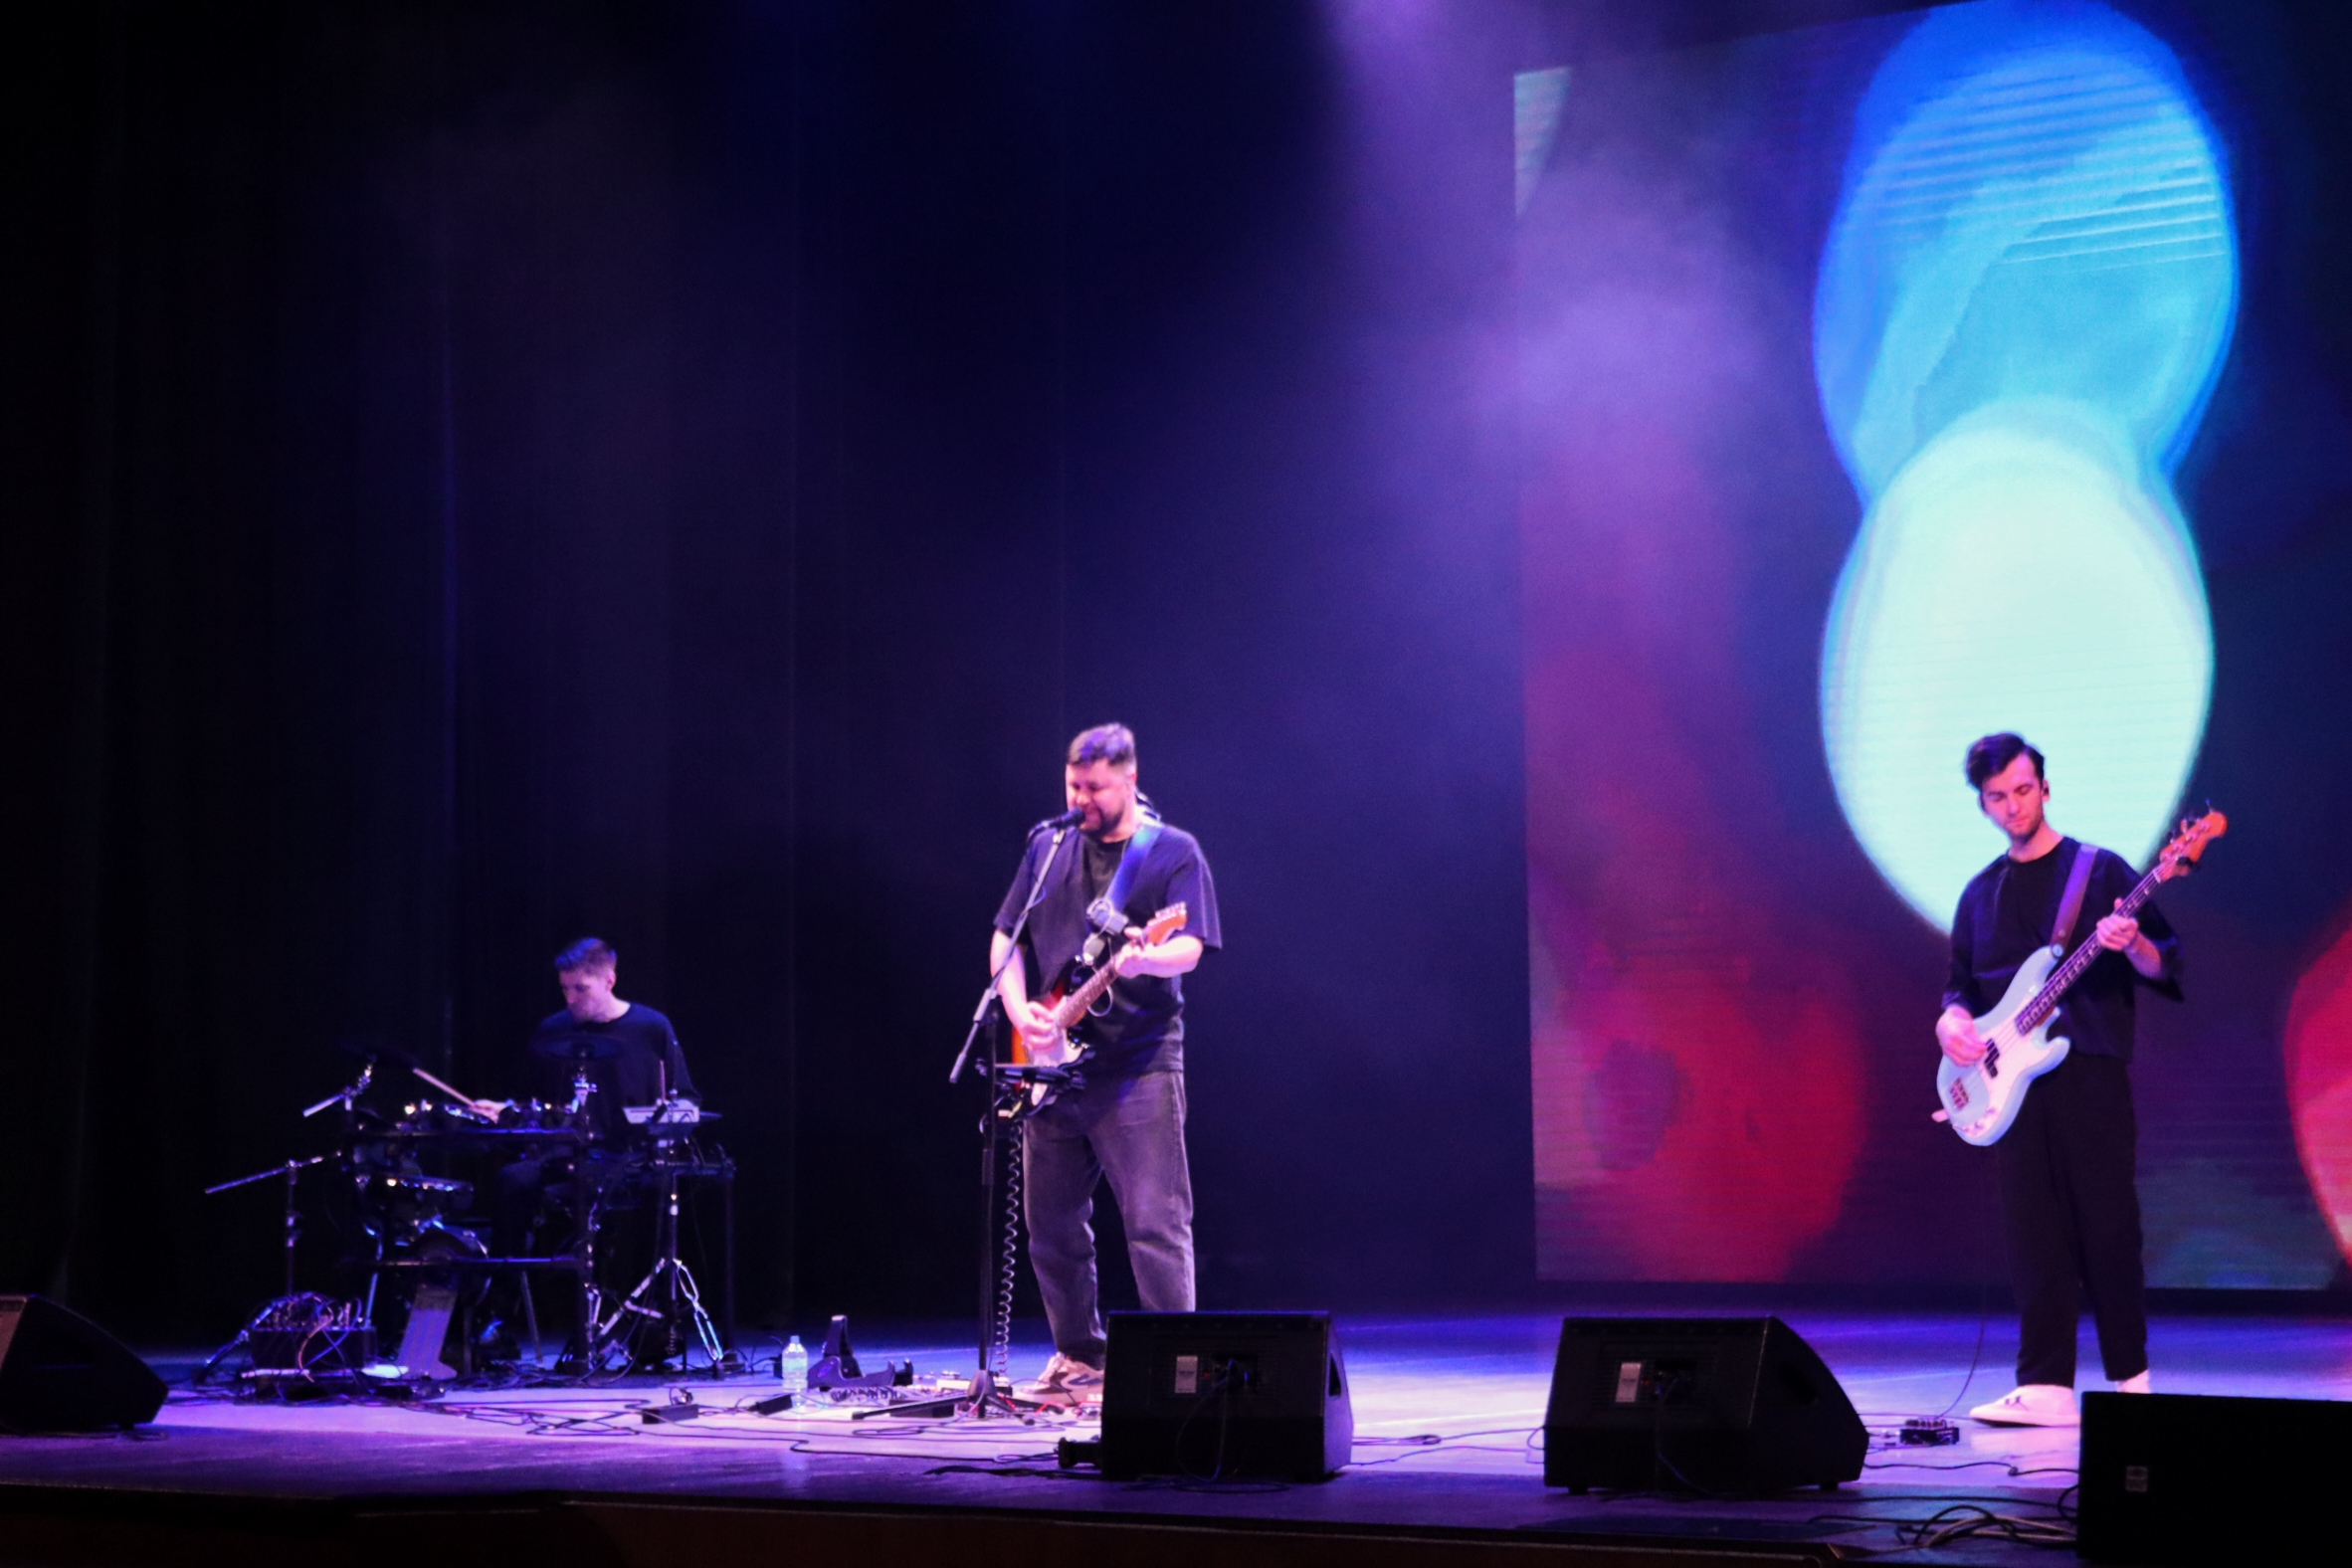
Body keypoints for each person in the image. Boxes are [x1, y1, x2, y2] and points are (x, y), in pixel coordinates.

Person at [1936, 734, 2181, 1427]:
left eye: (2022, 790)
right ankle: (2045, 1385)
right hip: (2009, 1086)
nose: (2013, 807)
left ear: (2045, 788)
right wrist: (1950, 1024)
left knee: (2108, 1225)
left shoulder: (2098, 872)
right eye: (1997, 797)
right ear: (1983, 806)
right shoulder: (1978, 894)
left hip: (2089, 1069)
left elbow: (2165, 962)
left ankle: (2131, 1378)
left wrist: (2133, 943)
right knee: (2032, 1231)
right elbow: (1958, 989)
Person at [990, 723, 1221, 1405]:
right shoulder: (1047, 847)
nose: (1081, 799)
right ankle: (1079, 1356)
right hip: (1052, 1063)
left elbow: (1191, 945)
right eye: (1073, 786)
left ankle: (1178, 1369)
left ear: (1129, 779)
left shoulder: (1170, 851)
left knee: (1155, 1224)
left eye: (1094, 788)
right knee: (1052, 1226)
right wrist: (1018, 1010)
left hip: (1139, 1065)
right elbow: (1007, 936)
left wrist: (1146, 959)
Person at [488, 938, 696, 1357]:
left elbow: (685, 1099)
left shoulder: (651, 1027)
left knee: (660, 1190)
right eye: (565, 988)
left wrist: (664, 1121)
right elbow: (531, 1102)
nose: (570, 998)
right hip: (567, 1158)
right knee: (511, 1182)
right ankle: (499, 1316)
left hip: (629, 1159)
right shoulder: (553, 1030)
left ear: (609, 980)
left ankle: (645, 1319)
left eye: (580, 989)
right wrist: (504, 1110)